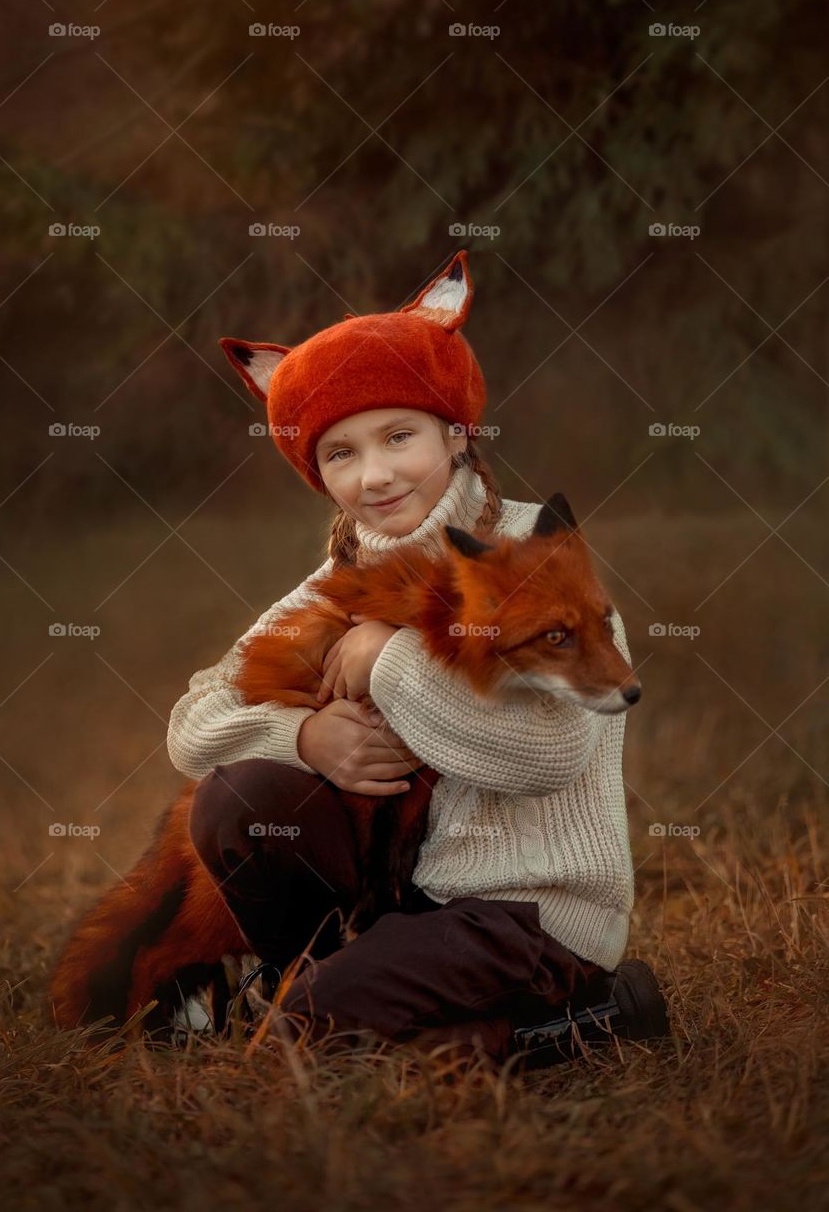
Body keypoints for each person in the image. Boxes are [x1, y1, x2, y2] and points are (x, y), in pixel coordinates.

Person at [168, 251, 669, 1069]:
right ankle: (327, 979)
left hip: (525, 912)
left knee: (302, 1039)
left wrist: (385, 660)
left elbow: (550, 753)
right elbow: (195, 721)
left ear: (456, 431)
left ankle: (582, 1016)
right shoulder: (341, 579)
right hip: (412, 903)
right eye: (341, 454)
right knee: (238, 795)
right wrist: (306, 738)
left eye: (399, 436)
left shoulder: (536, 553)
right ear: (318, 475)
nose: (376, 475)